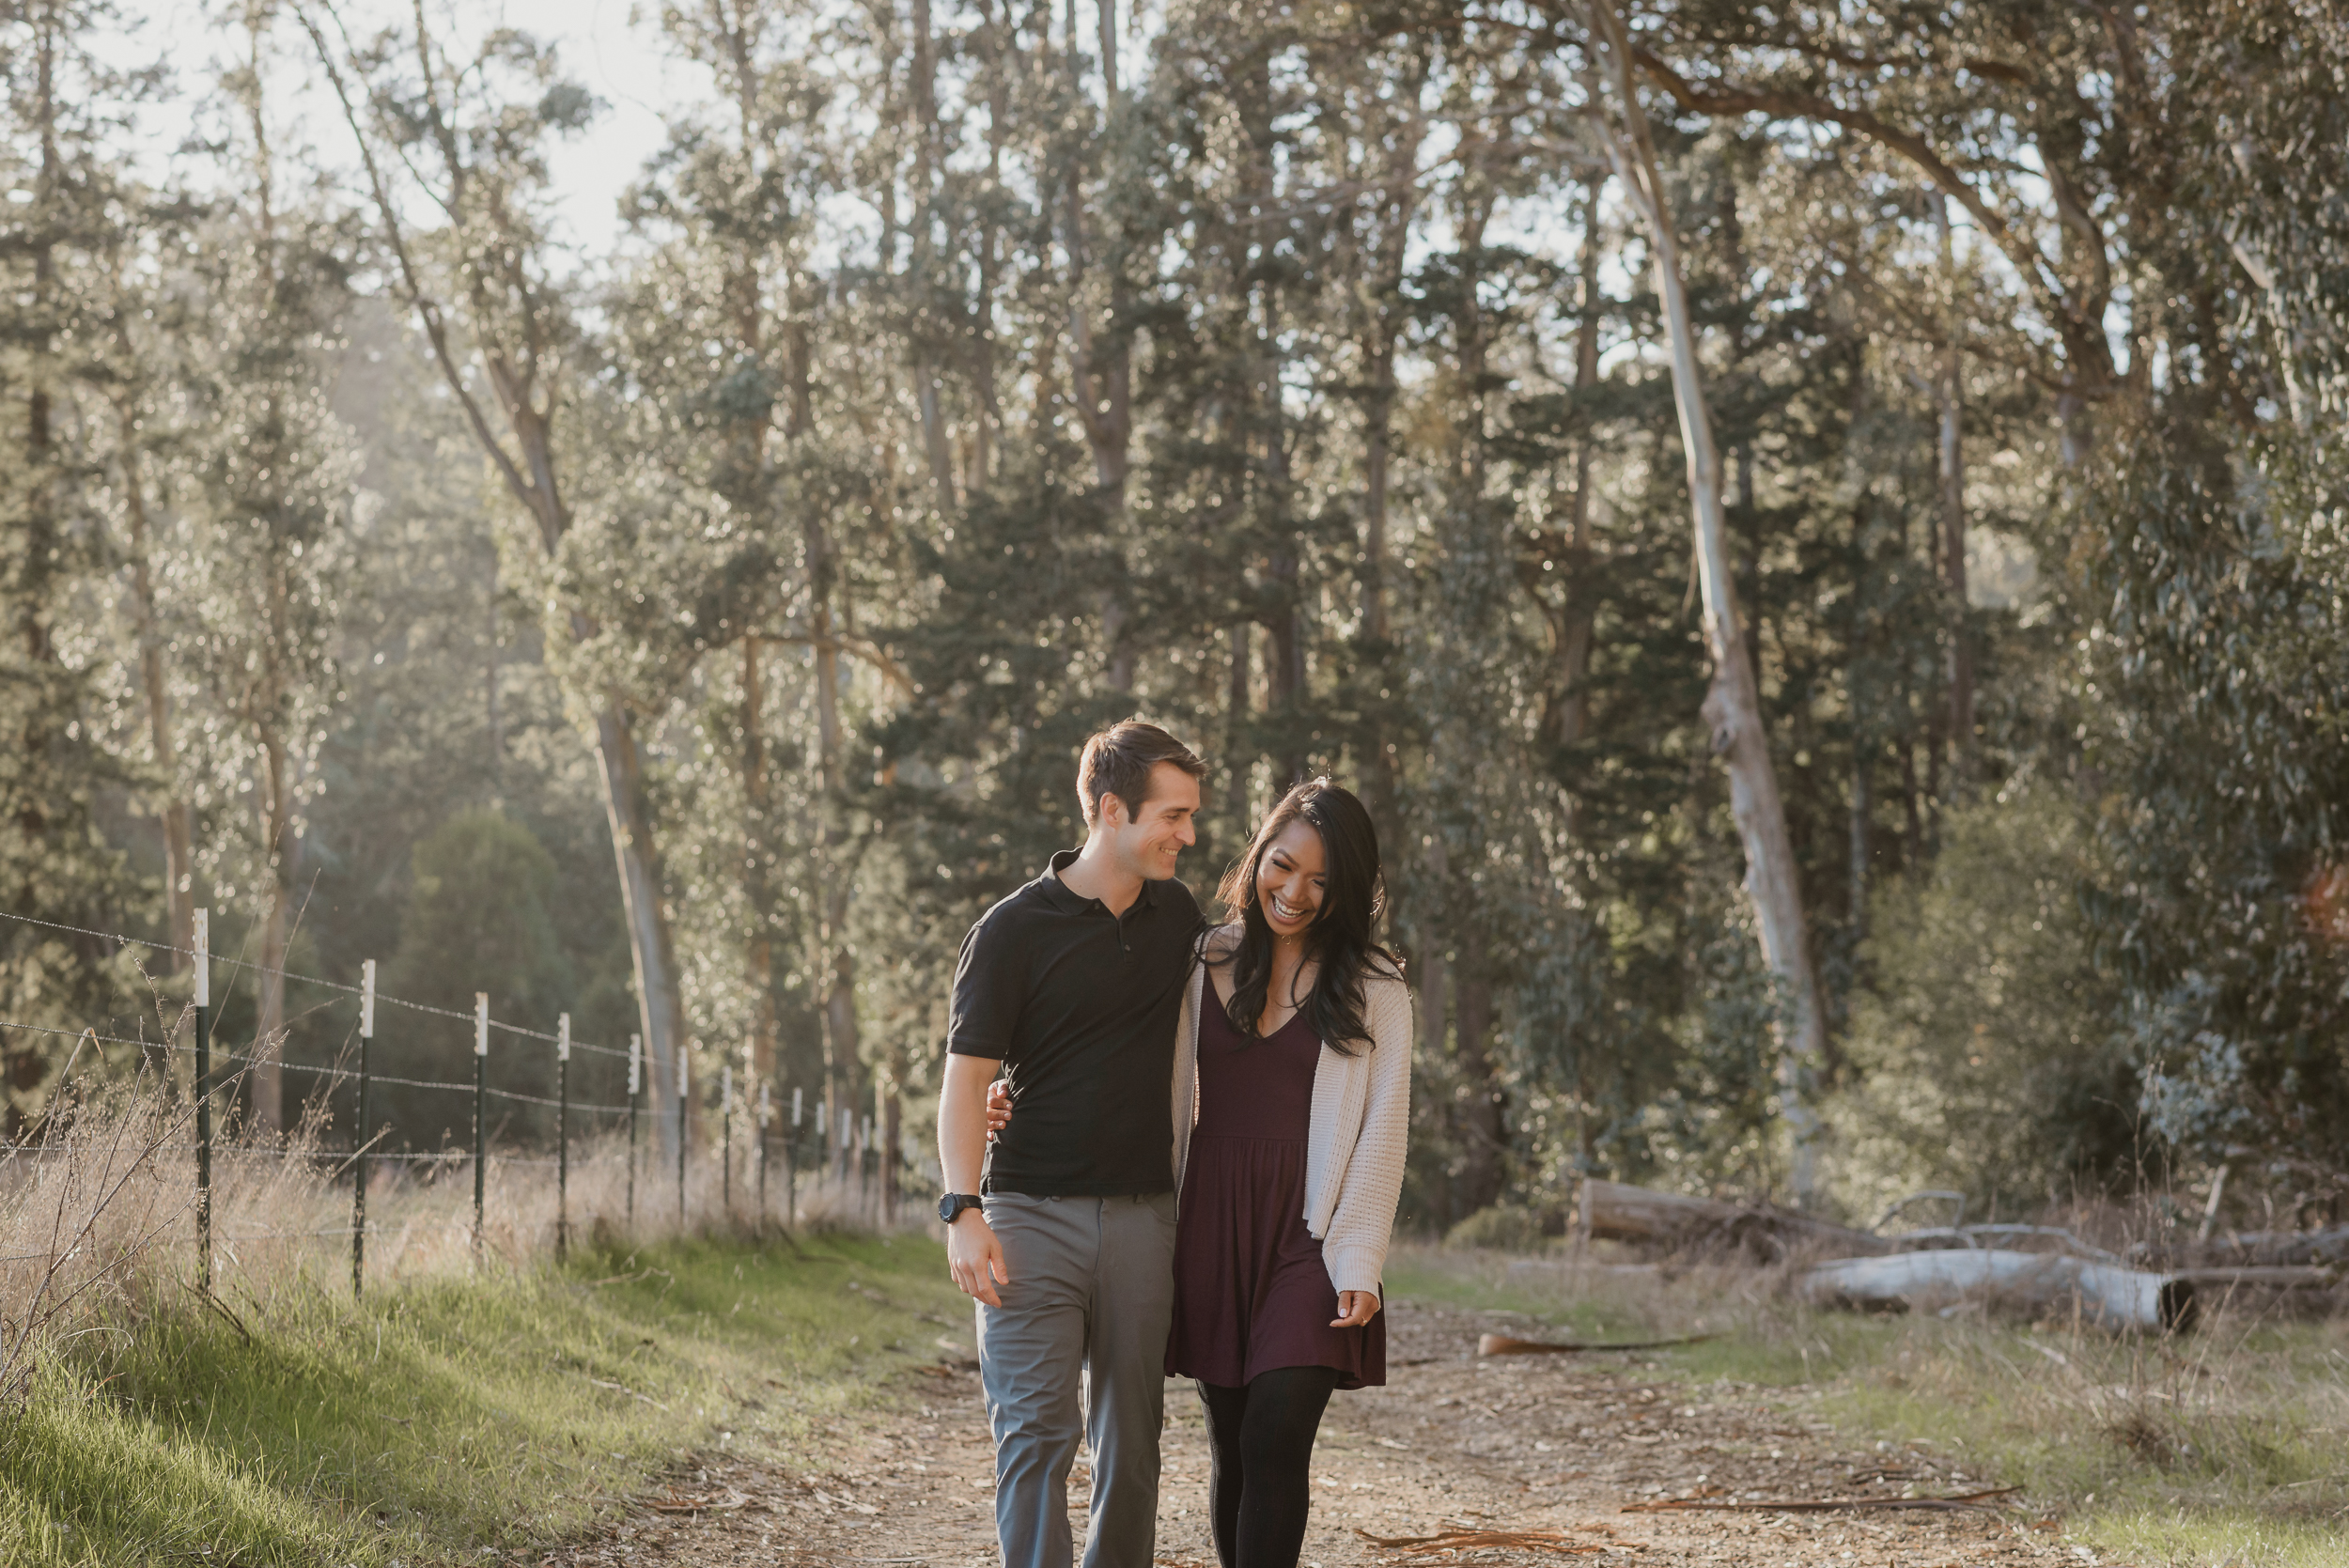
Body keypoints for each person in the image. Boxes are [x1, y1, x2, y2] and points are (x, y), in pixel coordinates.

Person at [988, 778, 1412, 1568]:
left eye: (1323, 881)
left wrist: (1361, 1259)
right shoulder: (1201, 956)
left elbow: (1383, 1134)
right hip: (1212, 1221)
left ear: (1349, 889)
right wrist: (1015, 1089)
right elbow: (1109, 1041)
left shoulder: (1376, 987)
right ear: (1259, 857)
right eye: (1283, 866)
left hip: (1311, 1233)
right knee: (1233, 1442)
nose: (1295, 892)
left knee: (1275, 1429)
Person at [936, 720, 1209, 1568]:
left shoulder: (1181, 918)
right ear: (1112, 809)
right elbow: (965, 1080)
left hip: (1143, 1217)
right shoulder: (1013, 930)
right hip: (1026, 1216)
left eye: (1192, 815)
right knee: (1033, 1437)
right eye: (1172, 815)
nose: (1188, 835)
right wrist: (962, 1208)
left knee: (1133, 1449)